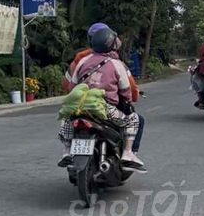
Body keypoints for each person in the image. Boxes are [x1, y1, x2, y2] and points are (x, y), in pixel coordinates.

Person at [58, 25, 145, 170]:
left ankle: (67, 151)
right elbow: (126, 90)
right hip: (104, 108)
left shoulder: (81, 61)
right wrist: (127, 102)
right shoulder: (117, 64)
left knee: (67, 119)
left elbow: (72, 86)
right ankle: (128, 153)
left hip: (80, 107)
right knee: (133, 119)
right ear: (111, 44)